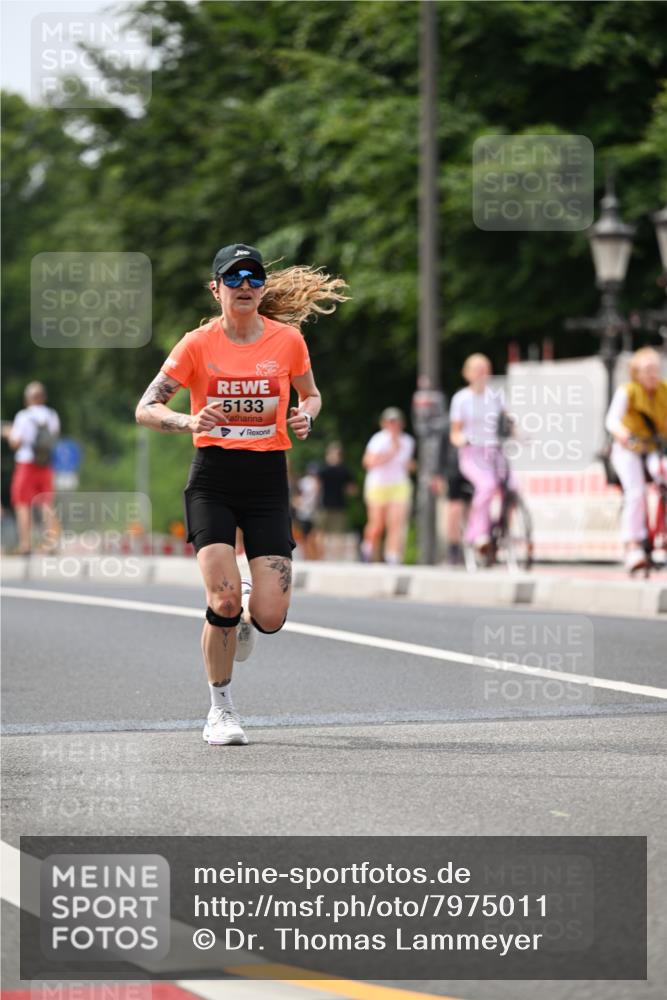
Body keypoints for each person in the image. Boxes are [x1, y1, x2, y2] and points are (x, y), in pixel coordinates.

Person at [135, 243, 347, 746]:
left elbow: (311, 394)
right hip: (213, 478)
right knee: (223, 600)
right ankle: (221, 710)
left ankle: (253, 601)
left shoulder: (288, 341)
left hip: (267, 479)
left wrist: (306, 415)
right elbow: (146, 406)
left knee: (269, 617)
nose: (246, 285)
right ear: (217, 289)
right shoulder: (196, 345)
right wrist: (187, 419)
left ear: (263, 288)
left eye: (254, 277)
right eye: (234, 279)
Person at [605, 346, 667, 572]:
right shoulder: (628, 391)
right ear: (636, 372)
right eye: (648, 369)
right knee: (636, 492)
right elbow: (612, 421)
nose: (653, 373)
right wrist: (624, 436)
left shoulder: (664, 390)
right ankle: (633, 545)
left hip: (653, 448)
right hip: (628, 449)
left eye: (656, 369)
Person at [449, 353, 509, 556]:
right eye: (478, 369)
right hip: (472, 452)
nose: (482, 374)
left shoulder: (496, 396)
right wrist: (462, 440)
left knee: (513, 487)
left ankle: (502, 527)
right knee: (486, 486)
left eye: (485, 369)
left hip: (494, 451)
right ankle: (477, 534)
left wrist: (522, 436)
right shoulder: (461, 399)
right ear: (468, 373)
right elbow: (455, 432)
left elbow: (509, 421)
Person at [3, 381, 60, 554]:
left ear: (28, 399)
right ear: (43, 397)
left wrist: (7, 433)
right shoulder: (52, 415)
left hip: (26, 464)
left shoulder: (23, 416)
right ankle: (51, 543)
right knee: (46, 503)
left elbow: (16, 442)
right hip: (45, 464)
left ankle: (25, 544)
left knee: (22, 503)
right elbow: (54, 436)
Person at [361, 407, 415, 564]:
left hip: (398, 485)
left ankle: (393, 558)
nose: (394, 425)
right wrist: (391, 452)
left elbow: (407, 464)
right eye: (390, 422)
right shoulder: (378, 440)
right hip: (378, 485)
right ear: (384, 424)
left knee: (396, 524)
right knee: (377, 525)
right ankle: (368, 549)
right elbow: (368, 462)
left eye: (396, 422)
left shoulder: (408, 441)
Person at [317, 441, 357, 558]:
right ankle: (324, 556)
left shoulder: (343, 471)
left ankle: (333, 557)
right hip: (327, 505)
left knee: (336, 534)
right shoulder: (325, 470)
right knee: (323, 533)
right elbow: (352, 490)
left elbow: (351, 489)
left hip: (338, 506)